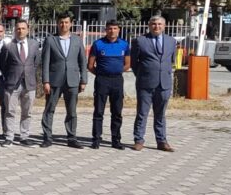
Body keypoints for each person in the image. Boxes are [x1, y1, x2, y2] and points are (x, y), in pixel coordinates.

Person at [40, 14, 87, 148]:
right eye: (61, 22)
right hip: (54, 81)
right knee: (49, 109)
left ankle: (72, 138)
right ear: (57, 23)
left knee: (72, 111)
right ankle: (47, 138)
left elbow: (82, 61)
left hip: (72, 81)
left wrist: (83, 80)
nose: (64, 25)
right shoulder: (50, 40)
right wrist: (46, 81)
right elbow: (45, 62)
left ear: (71, 24)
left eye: (66, 22)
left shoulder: (77, 40)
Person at [131, 16, 176, 152]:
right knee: (142, 113)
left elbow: (171, 60)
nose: (157, 26)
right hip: (145, 83)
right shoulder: (140, 41)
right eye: (154, 24)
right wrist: (142, 75)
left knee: (160, 114)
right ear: (149, 26)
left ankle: (161, 141)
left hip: (164, 83)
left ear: (164, 26)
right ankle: (139, 140)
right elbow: (134, 63)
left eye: (159, 24)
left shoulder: (171, 41)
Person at [88, 21, 130, 150]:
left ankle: (116, 140)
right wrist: (101, 74)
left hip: (117, 81)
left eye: (115, 28)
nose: (112, 31)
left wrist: (116, 71)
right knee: (99, 111)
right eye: (110, 28)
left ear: (119, 30)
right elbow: (90, 65)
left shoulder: (124, 44)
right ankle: (96, 139)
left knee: (117, 112)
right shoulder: (98, 44)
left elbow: (128, 64)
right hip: (102, 81)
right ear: (106, 30)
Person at [0, 20, 39, 147]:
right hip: (12, 84)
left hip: (29, 83)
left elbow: (36, 63)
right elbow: (3, 64)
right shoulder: (8, 46)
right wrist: (10, 76)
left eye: (23, 28)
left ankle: (24, 137)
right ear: (15, 30)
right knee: (10, 111)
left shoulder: (34, 44)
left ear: (28, 30)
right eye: (18, 28)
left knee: (27, 112)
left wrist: (29, 74)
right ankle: (9, 137)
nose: (20, 31)